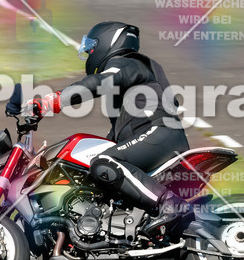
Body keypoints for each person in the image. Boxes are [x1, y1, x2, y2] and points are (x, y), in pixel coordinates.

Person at [24, 22, 193, 237]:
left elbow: (100, 81)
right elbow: (115, 139)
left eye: (91, 47)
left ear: (107, 43)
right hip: (154, 137)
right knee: (97, 167)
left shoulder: (128, 64)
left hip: (160, 134)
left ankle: (169, 203)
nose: (89, 53)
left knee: (104, 162)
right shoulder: (125, 90)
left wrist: (54, 100)